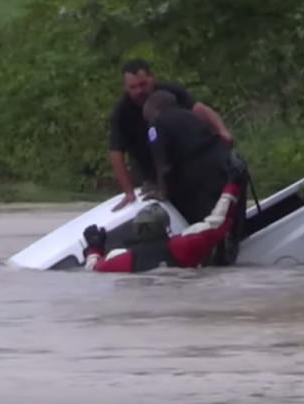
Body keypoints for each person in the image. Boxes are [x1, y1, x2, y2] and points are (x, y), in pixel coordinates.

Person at [141, 89, 251, 265]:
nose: (147, 121)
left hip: (209, 180)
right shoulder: (191, 117)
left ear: (155, 108)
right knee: (232, 229)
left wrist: (162, 189)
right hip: (232, 169)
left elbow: (163, 164)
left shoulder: (157, 124)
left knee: (210, 234)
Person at [109, 58, 233, 212]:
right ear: (125, 87)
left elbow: (199, 109)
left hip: (184, 159)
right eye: (132, 87)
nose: (138, 91)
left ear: (151, 78)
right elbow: (116, 152)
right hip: (148, 165)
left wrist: (223, 131)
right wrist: (128, 191)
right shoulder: (122, 112)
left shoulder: (169, 93)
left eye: (142, 85)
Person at [81, 183, 240, 273]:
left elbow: (94, 270)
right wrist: (231, 188)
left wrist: (94, 248)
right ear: (166, 227)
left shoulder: (122, 259)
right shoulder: (186, 245)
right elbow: (218, 223)